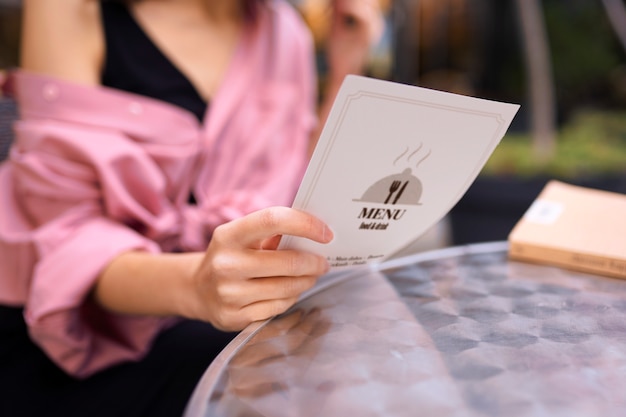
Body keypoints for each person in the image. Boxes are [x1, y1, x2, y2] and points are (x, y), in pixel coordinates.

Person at [0, 0, 383, 416]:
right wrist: (199, 285)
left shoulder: (283, 29)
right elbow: (67, 240)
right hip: (73, 338)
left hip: (222, 315)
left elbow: (295, 186)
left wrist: (347, 63)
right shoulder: (71, 9)